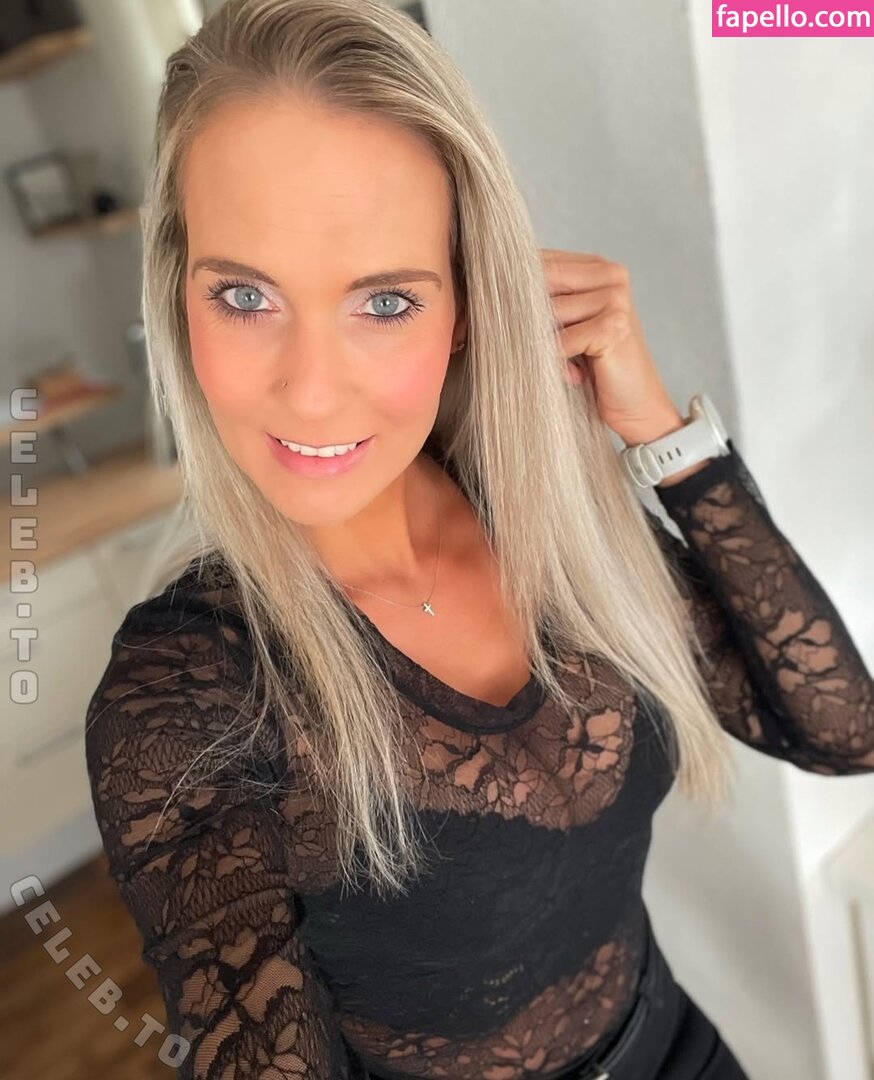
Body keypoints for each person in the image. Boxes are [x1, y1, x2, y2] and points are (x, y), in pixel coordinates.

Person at [83, 1, 874, 1077]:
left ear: (467, 302)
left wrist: (663, 435)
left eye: (384, 303)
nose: (310, 392)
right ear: (177, 299)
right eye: (244, 294)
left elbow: (841, 731)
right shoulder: (188, 688)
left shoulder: (549, 527)